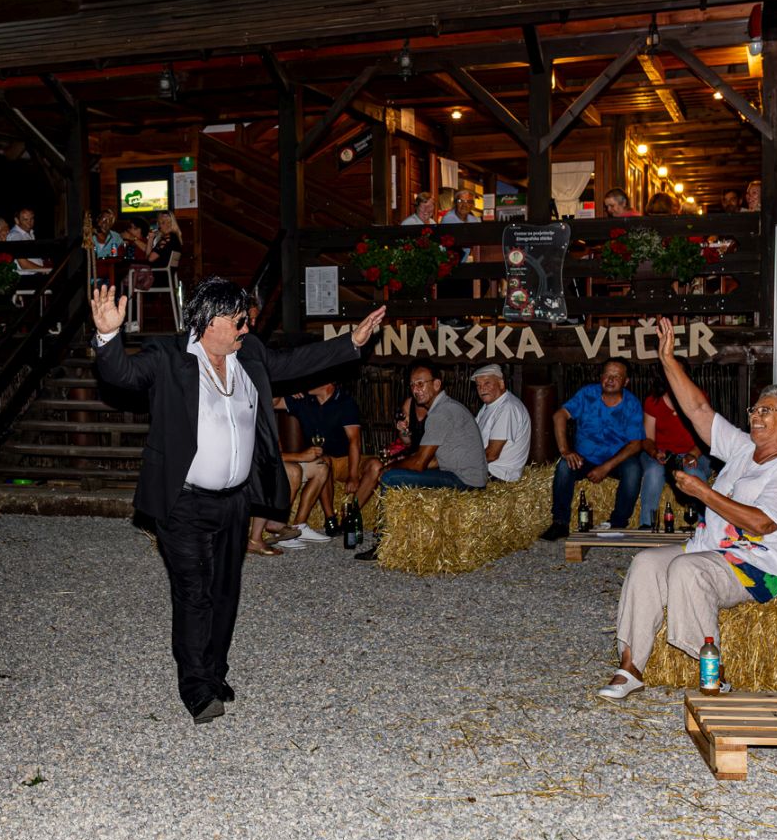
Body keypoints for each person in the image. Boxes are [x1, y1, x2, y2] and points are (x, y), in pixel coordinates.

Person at [90, 277, 385, 724]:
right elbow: (121, 376)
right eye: (238, 319)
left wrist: (352, 342)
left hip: (235, 501)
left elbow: (293, 362)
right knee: (194, 594)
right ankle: (197, 688)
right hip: (183, 503)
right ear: (210, 322)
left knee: (225, 592)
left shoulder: (247, 353)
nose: (247, 326)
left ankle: (214, 670)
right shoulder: (169, 358)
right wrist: (109, 337)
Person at [600, 317, 777, 699]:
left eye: (767, 411)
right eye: (755, 409)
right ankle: (631, 667)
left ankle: (712, 671)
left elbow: (763, 523)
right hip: (711, 550)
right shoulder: (743, 448)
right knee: (646, 563)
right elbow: (698, 409)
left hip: (759, 564)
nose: (756, 415)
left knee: (686, 569)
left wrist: (704, 493)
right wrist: (667, 359)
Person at [540, 359, 645, 541]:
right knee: (565, 466)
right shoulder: (588, 394)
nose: (610, 379)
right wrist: (565, 450)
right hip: (585, 457)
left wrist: (606, 467)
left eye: (617, 376)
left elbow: (636, 444)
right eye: (607, 375)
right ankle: (560, 523)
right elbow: (559, 415)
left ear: (625, 382)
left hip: (616, 460)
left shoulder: (632, 404)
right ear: (601, 377)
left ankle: (618, 523)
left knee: (634, 469)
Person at [376, 362, 488, 492]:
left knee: (390, 477)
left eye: (420, 384)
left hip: (465, 481)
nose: (415, 390)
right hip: (469, 478)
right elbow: (432, 460)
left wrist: (390, 467)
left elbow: (419, 463)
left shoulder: (441, 413)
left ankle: (384, 513)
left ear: (436, 385)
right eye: (412, 385)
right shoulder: (447, 407)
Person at [282, 380, 371, 532]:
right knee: (322, 461)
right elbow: (271, 402)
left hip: (346, 460)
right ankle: (330, 519)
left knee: (375, 466)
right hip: (324, 460)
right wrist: (288, 389)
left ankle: (350, 515)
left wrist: (353, 474)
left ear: (328, 382)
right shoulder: (303, 399)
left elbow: (354, 441)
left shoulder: (345, 402)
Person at [639, 371, 712, 529]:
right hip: (661, 453)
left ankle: (704, 525)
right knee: (654, 471)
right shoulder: (653, 401)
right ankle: (647, 525)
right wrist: (654, 453)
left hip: (694, 451)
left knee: (693, 473)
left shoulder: (698, 397)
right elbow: (647, 439)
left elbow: (708, 434)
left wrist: (693, 454)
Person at [471, 364, 531, 483]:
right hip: (485, 471)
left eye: (487, 383)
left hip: (497, 476)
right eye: (478, 385)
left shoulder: (507, 408)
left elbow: (492, 455)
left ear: (501, 384)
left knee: (437, 478)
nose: (482, 388)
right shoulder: (488, 407)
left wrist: (458, 462)